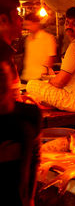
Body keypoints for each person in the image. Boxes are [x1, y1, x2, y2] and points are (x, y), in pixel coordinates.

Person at [26, 7, 75, 112]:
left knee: (32, 85)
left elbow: (60, 82)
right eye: (67, 22)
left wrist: (47, 84)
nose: (69, 26)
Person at [0, 50, 41, 206]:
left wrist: (30, 198)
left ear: (11, 77)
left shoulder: (29, 114)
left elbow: (34, 159)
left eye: (2, 75)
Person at [0, 0, 23, 101]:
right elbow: (4, 106)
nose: (21, 19)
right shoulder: (2, 57)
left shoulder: (6, 52)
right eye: (17, 15)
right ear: (3, 20)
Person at [21, 13, 57, 82]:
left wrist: (45, 75)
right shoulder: (28, 39)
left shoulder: (48, 38)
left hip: (39, 78)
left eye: (29, 25)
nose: (27, 28)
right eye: (25, 25)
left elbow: (51, 59)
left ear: (36, 24)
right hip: (26, 77)